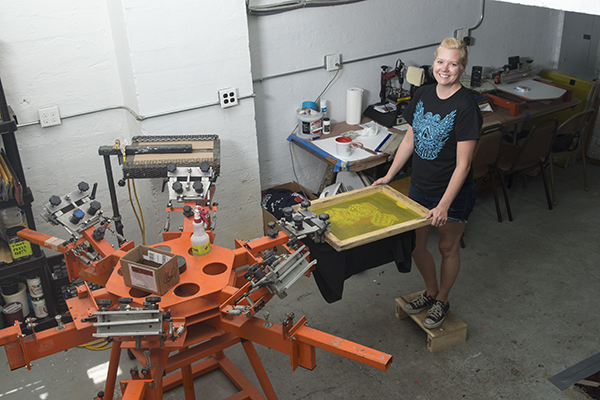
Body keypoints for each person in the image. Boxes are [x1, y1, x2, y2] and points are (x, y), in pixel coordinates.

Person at [372, 38, 482, 329]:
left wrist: (444, 204)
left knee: (447, 248)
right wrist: (390, 175)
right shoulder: (421, 94)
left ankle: (442, 300)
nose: (445, 69)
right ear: (434, 63)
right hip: (419, 187)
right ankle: (430, 291)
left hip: (452, 194)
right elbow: (409, 139)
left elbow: (464, 164)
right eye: (441, 62)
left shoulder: (466, 106)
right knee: (415, 246)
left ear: (462, 67)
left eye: (453, 63)